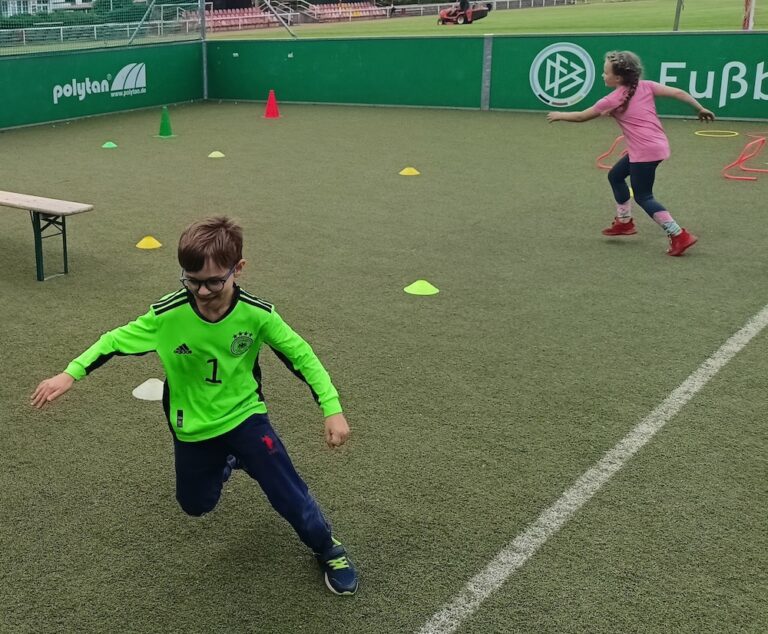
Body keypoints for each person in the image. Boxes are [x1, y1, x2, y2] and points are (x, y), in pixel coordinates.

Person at [31, 216, 359, 596]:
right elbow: (112, 342)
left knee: (287, 492)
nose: (202, 291)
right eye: (192, 280)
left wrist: (331, 408)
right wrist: (69, 374)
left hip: (245, 417)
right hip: (192, 426)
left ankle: (327, 548)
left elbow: (302, 356)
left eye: (214, 281)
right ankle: (230, 460)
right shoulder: (167, 315)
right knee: (195, 505)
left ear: (238, 269)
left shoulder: (257, 315)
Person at [547, 50, 715, 256]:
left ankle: (678, 234)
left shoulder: (611, 99)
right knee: (615, 176)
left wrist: (560, 114)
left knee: (644, 196)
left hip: (644, 152)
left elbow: (582, 117)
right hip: (656, 146)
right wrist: (700, 108)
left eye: (606, 72)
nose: (603, 75)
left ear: (618, 78)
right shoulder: (646, 86)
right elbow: (678, 93)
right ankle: (624, 222)